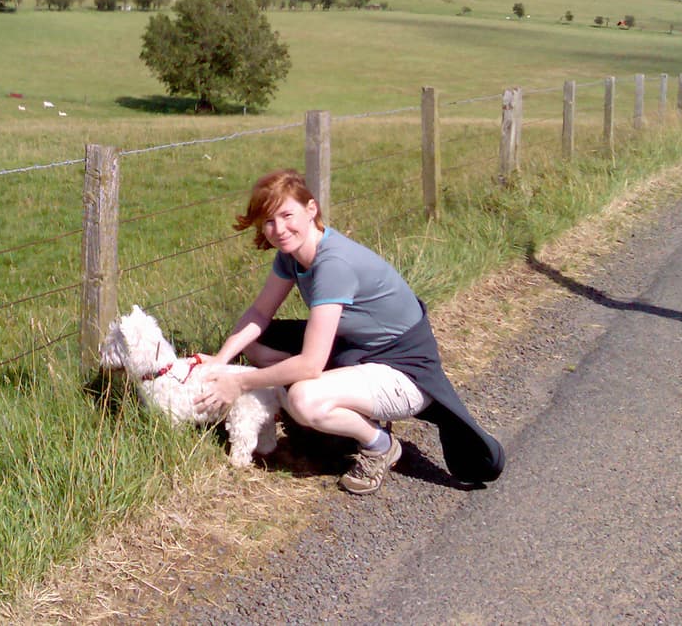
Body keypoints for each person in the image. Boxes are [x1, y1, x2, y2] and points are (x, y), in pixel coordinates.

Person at [195, 168, 504, 493]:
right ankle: (323, 422)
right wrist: (220, 360)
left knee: (304, 398)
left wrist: (239, 381)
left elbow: (310, 365)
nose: (279, 229)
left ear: (311, 209)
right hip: (359, 351)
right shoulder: (292, 255)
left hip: (405, 373)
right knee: (257, 342)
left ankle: (379, 444)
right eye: (269, 221)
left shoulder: (333, 265)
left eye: (287, 215)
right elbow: (259, 313)